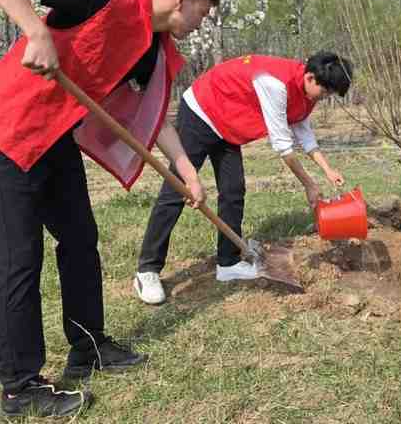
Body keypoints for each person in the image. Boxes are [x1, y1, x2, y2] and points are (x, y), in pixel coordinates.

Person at [0, 0, 217, 418]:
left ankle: (87, 346)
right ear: (182, 0)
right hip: (7, 129)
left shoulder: (149, 48)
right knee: (19, 257)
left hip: (54, 137)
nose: (200, 25)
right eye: (202, 14)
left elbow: (153, 119)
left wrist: (187, 170)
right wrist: (36, 30)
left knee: (81, 239)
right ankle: (20, 387)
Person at [133, 51, 353, 305]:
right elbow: (283, 147)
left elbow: (303, 131)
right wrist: (310, 185)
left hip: (228, 122)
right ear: (311, 77)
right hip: (202, 110)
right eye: (325, 92)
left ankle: (227, 263)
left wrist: (327, 170)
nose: (325, 98)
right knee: (177, 189)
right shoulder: (275, 84)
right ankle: (147, 270)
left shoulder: (306, 91)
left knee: (233, 190)